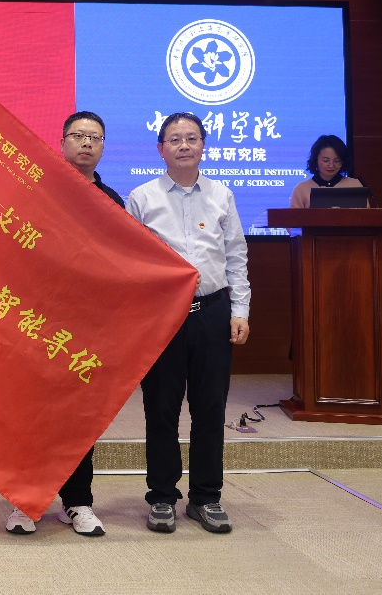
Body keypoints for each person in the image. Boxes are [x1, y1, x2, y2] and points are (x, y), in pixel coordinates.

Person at [126, 112, 250, 535]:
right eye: (175, 139)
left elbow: (235, 256)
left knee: (210, 409)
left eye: (192, 138)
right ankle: (162, 497)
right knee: (161, 409)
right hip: (162, 316)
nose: (184, 145)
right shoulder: (141, 197)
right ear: (160, 148)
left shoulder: (221, 195)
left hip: (212, 312)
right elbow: (130, 262)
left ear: (203, 146)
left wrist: (240, 310)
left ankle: (205, 497)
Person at [5, 111, 121, 538]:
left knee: (79, 416)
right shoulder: (36, 192)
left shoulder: (112, 201)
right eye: (78, 135)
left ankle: (78, 502)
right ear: (62, 142)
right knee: (32, 413)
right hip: (37, 320)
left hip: (87, 325)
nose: (87, 143)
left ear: (103, 147)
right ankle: (25, 500)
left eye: (95, 137)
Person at [289, 134, 365, 208]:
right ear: (316, 160)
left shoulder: (355, 185)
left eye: (337, 161)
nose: (331, 165)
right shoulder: (301, 189)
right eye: (326, 160)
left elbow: (365, 214)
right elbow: (294, 216)